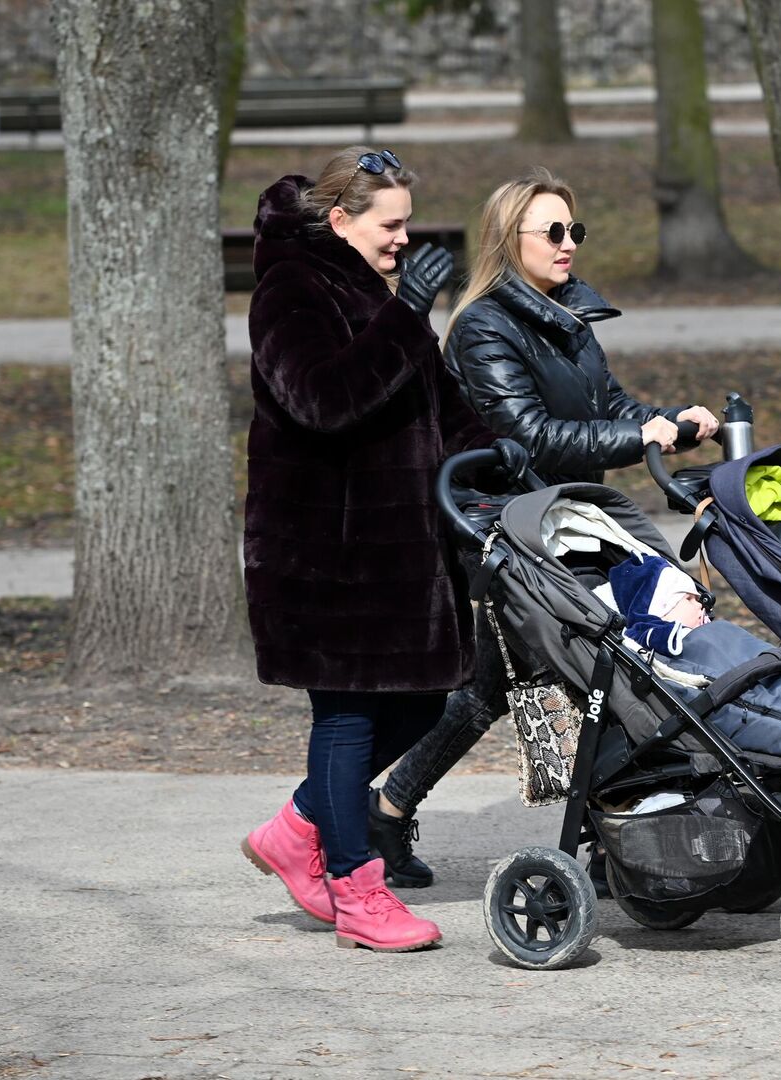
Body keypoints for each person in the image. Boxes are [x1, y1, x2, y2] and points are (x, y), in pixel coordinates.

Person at [366, 169, 719, 883]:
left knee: (504, 687)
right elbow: (529, 434)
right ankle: (604, 831)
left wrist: (672, 424)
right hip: (504, 527)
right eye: (552, 232)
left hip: (556, 524)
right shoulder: (484, 327)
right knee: (569, 669)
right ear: (509, 240)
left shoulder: (569, 319)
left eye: (574, 231)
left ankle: (391, 811)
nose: (568, 245)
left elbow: (611, 405)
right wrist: (633, 436)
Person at [238, 146, 508, 952]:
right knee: (349, 713)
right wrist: (404, 314)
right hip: (328, 551)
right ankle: (357, 890)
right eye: (390, 225)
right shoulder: (290, 288)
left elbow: (431, 398)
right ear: (340, 219)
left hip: (397, 551)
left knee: (423, 699)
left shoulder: (366, 287)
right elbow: (322, 401)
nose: (403, 240)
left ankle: (295, 828)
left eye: (406, 224)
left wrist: (493, 452)